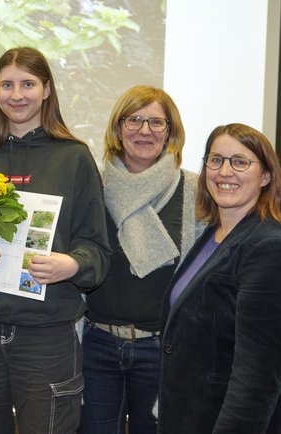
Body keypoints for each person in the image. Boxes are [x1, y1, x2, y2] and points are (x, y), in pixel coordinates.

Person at [0, 47, 111, 433]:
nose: (16, 94)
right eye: (7, 84)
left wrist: (70, 265)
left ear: (47, 89)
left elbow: (97, 249)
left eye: (27, 84)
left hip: (47, 333)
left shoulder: (74, 157)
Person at [157, 123, 281, 433]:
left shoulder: (271, 249)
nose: (225, 171)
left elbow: (259, 377)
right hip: (196, 416)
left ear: (265, 176)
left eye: (240, 162)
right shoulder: (216, 234)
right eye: (216, 160)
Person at [80, 85, 200, 434]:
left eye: (156, 122)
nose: (144, 131)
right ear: (118, 128)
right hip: (97, 345)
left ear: (171, 132)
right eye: (134, 120)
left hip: (163, 348)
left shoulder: (196, 190)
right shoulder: (93, 187)